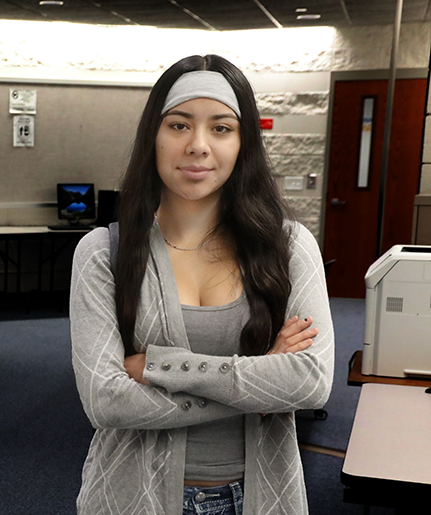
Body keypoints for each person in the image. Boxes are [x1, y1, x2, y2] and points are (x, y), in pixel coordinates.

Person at [70, 54, 333, 515]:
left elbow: (309, 382)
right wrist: (260, 380)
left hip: (258, 495)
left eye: (221, 128)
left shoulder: (289, 247)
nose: (197, 145)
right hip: (133, 497)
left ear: (243, 142)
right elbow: (106, 402)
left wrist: (160, 366)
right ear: (153, 135)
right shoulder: (101, 252)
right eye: (178, 125)